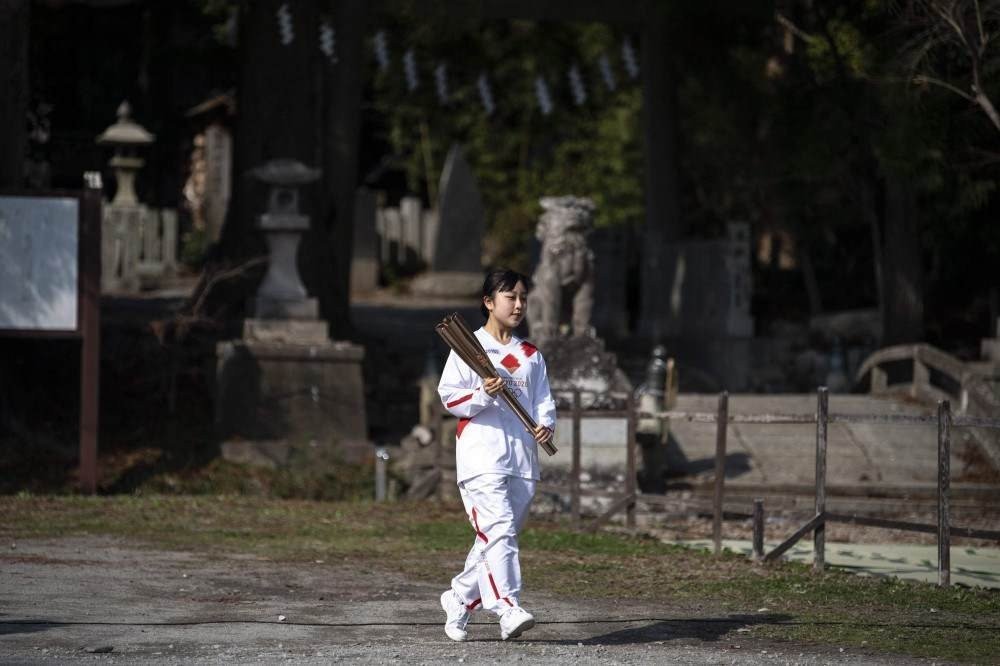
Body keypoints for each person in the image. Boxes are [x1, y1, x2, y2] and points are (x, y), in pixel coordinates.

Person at [437, 268, 557, 642]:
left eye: (523, 297)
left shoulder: (530, 355)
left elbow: (544, 402)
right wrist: (484, 394)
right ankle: (506, 606)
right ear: (489, 302)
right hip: (481, 455)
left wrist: (545, 425)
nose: (519, 304)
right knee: (499, 531)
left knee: (498, 537)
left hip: (522, 458)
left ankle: (458, 597)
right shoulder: (468, 347)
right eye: (511, 297)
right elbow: (450, 396)